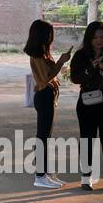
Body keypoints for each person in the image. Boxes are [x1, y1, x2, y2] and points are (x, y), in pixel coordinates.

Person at [68, 21, 103, 192]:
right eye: (95, 37)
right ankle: (86, 177)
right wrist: (90, 68)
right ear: (89, 38)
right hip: (88, 102)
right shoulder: (81, 56)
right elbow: (75, 78)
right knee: (87, 140)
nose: (99, 40)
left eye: (102, 37)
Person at [23, 19, 71, 189]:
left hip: (48, 96)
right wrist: (61, 62)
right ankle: (40, 176)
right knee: (43, 137)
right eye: (49, 33)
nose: (51, 36)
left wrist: (59, 63)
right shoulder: (37, 54)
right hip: (44, 96)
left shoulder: (43, 52)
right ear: (41, 35)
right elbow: (46, 77)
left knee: (46, 136)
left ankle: (46, 173)